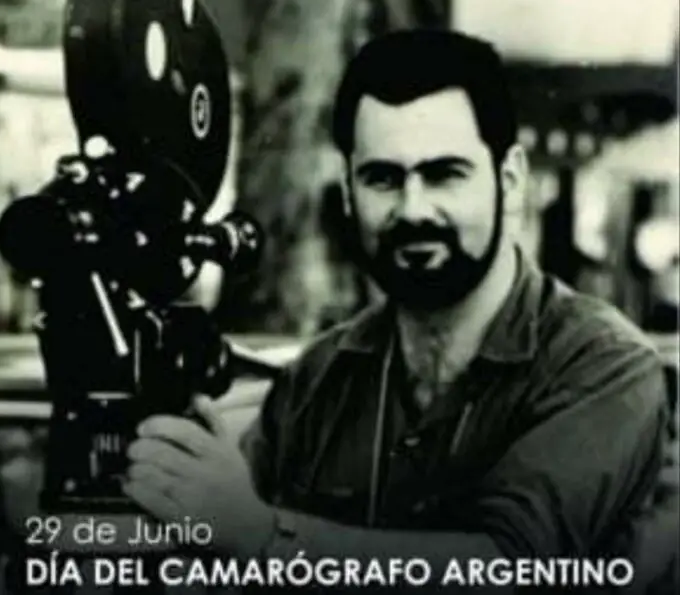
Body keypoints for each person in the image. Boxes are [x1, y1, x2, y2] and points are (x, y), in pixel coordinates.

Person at [122, 31, 670, 587]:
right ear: (347, 192)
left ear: (510, 180)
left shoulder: (606, 366)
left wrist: (263, 534)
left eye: (444, 174)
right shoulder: (318, 380)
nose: (413, 210)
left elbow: (511, 565)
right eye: (382, 178)